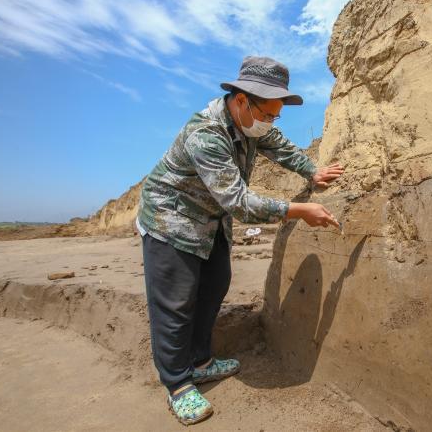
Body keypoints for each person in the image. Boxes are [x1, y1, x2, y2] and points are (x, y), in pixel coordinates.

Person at [136, 56, 344, 425]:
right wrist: (298, 209)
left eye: (276, 115)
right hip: (172, 220)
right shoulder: (206, 135)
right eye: (268, 114)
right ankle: (178, 385)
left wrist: (313, 170)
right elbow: (239, 203)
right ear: (242, 100)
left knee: (215, 285)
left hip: (210, 221)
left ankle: (200, 362)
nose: (271, 122)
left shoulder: (251, 125)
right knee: (175, 303)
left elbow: (278, 144)